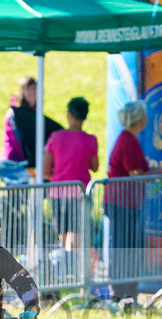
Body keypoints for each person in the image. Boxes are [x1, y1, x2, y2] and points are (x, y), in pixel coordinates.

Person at [105, 101, 162, 303]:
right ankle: (123, 293)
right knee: (127, 246)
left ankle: (125, 292)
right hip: (123, 202)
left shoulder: (127, 139)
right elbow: (136, 173)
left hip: (123, 201)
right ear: (141, 120)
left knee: (126, 245)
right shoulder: (128, 141)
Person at [43, 96, 99, 256]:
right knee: (79, 232)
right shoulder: (91, 140)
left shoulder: (55, 137)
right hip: (80, 192)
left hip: (58, 192)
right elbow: (95, 167)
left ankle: (68, 263)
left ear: (70, 115)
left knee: (63, 232)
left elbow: (45, 170)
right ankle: (77, 265)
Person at [0, 76, 63, 171]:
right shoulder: (14, 114)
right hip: (15, 162)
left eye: (34, 89)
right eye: (28, 89)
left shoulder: (36, 114)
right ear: (22, 92)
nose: (32, 92)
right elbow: (17, 139)